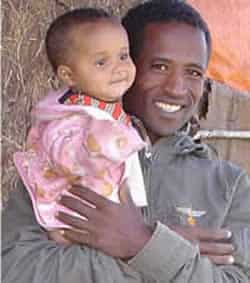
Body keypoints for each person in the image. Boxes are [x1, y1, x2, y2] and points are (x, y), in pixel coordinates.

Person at [2, 1, 250, 282]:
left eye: (193, 72)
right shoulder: (66, 156)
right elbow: (13, 266)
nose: (177, 88)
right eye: (159, 66)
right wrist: (155, 253)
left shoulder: (228, 185)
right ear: (125, 63)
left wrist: (142, 244)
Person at [13, 8, 147, 231]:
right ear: (68, 75)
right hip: (76, 219)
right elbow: (65, 155)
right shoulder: (70, 117)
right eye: (101, 62)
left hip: (113, 218)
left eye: (123, 56)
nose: (120, 68)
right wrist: (102, 144)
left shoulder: (106, 108)